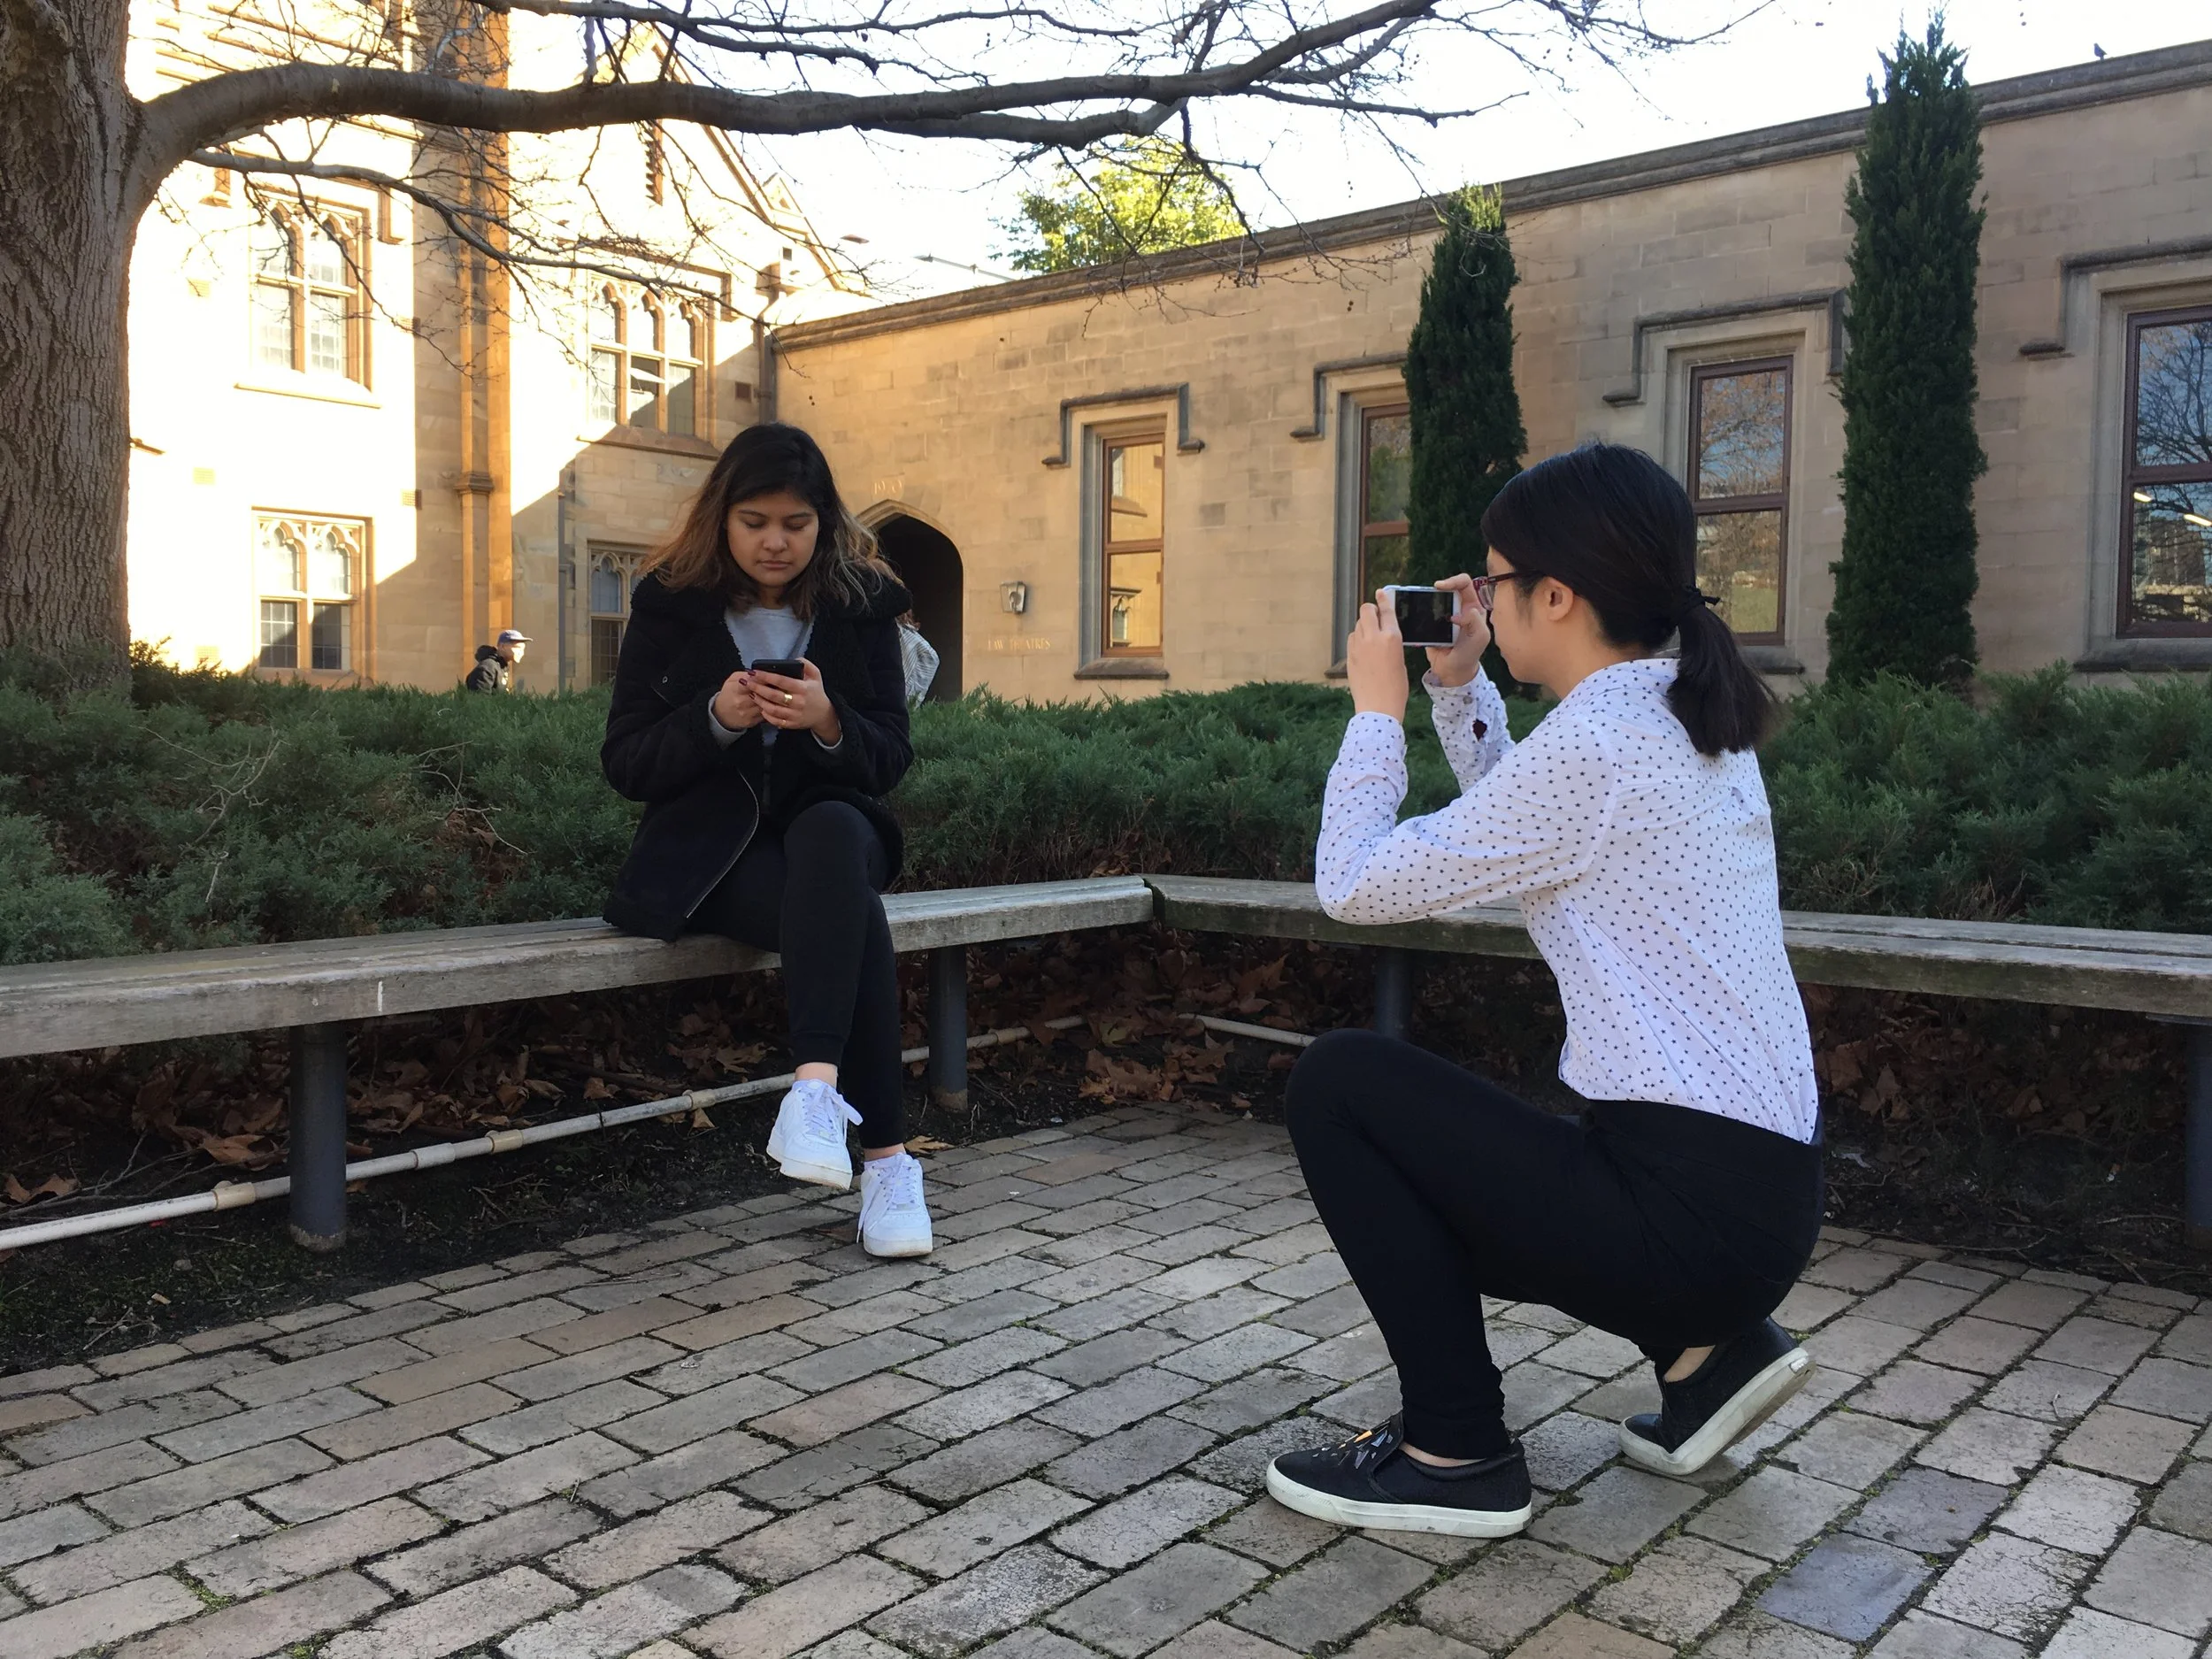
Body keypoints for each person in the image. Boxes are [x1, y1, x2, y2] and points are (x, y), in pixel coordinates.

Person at [1265, 442, 1824, 1540]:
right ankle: (1702, 1357)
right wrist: (1461, 686)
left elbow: (1353, 886)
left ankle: (1454, 1449)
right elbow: (1531, 825)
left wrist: (1374, 711)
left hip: (1691, 1215)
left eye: (1492, 580)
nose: (1476, 597)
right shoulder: (1672, 709)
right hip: (1752, 1206)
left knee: (1340, 1086)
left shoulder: (1606, 741)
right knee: (1457, 1143)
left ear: (1555, 595)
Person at [599, 422, 931, 1256]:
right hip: (720, 858)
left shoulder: (864, 606)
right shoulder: (670, 605)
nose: (775, 542)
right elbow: (627, 760)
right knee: (854, 917)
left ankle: (815, 1093)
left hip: (836, 836)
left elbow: (888, 755)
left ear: (825, 521)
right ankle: (889, 1164)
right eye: (755, 522)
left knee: (830, 831)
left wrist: (828, 723)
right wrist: (714, 719)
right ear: (723, 518)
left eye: (795, 522)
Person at [465, 628, 529, 691]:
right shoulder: (487, 668)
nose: (521, 652)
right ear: (502, 647)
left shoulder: (502, 666)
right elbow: (480, 698)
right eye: (517, 648)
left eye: (523, 649)